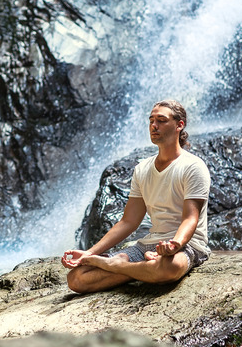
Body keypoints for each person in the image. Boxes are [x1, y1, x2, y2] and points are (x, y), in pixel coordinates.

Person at [61, 99, 211, 293]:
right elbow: (128, 221)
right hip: (149, 245)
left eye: (161, 120)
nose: (154, 126)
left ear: (179, 125)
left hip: (188, 245)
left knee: (170, 268)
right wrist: (89, 253)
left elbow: (191, 218)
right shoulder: (142, 169)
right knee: (76, 279)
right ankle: (143, 269)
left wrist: (175, 245)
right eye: (151, 121)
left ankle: (118, 265)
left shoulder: (193, 166)